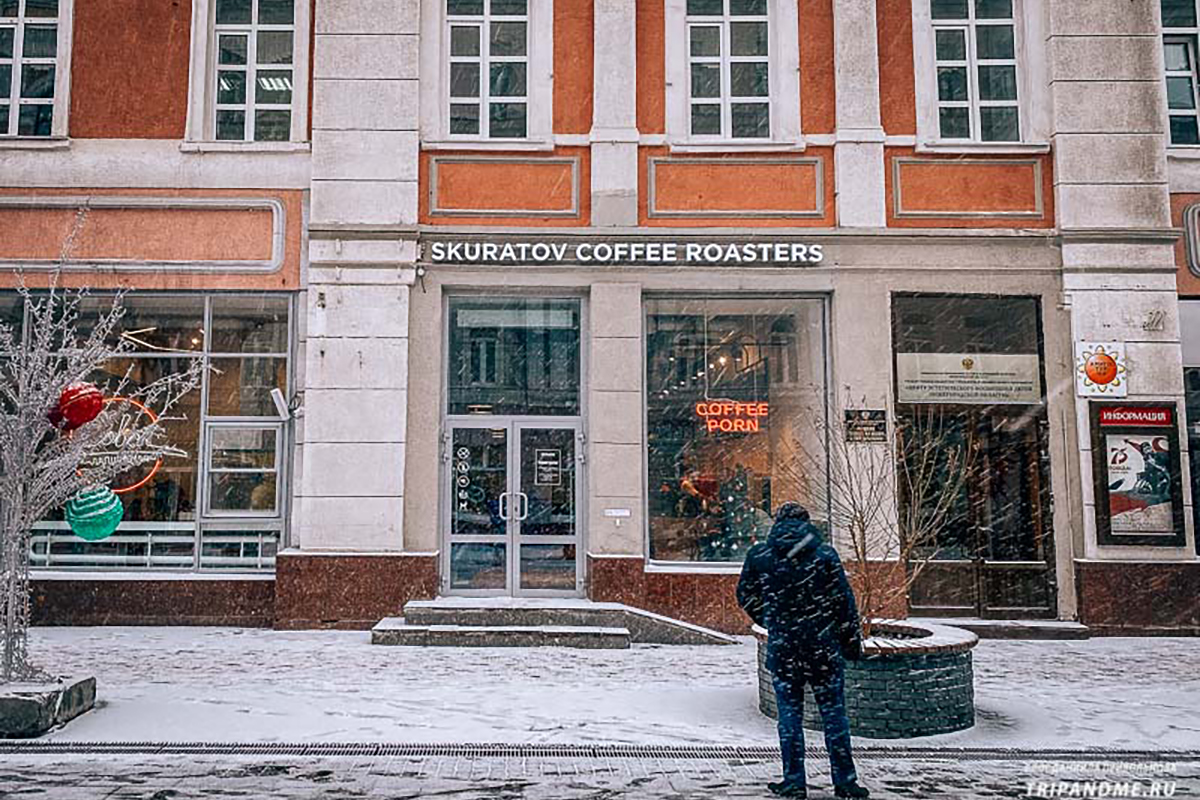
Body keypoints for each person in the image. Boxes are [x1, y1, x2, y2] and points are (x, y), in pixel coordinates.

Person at [737, 502, 870, 799]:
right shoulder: (824, 555)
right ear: (807, 523)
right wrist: (850, 643)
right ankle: (845, 782)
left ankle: (794, 781)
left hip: (785, 649)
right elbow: (844, 604)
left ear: (778, 523)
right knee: (834, 716)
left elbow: (744, 594)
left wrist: (771, 619)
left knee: (790, 717)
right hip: (823, 649)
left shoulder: (761, 556)